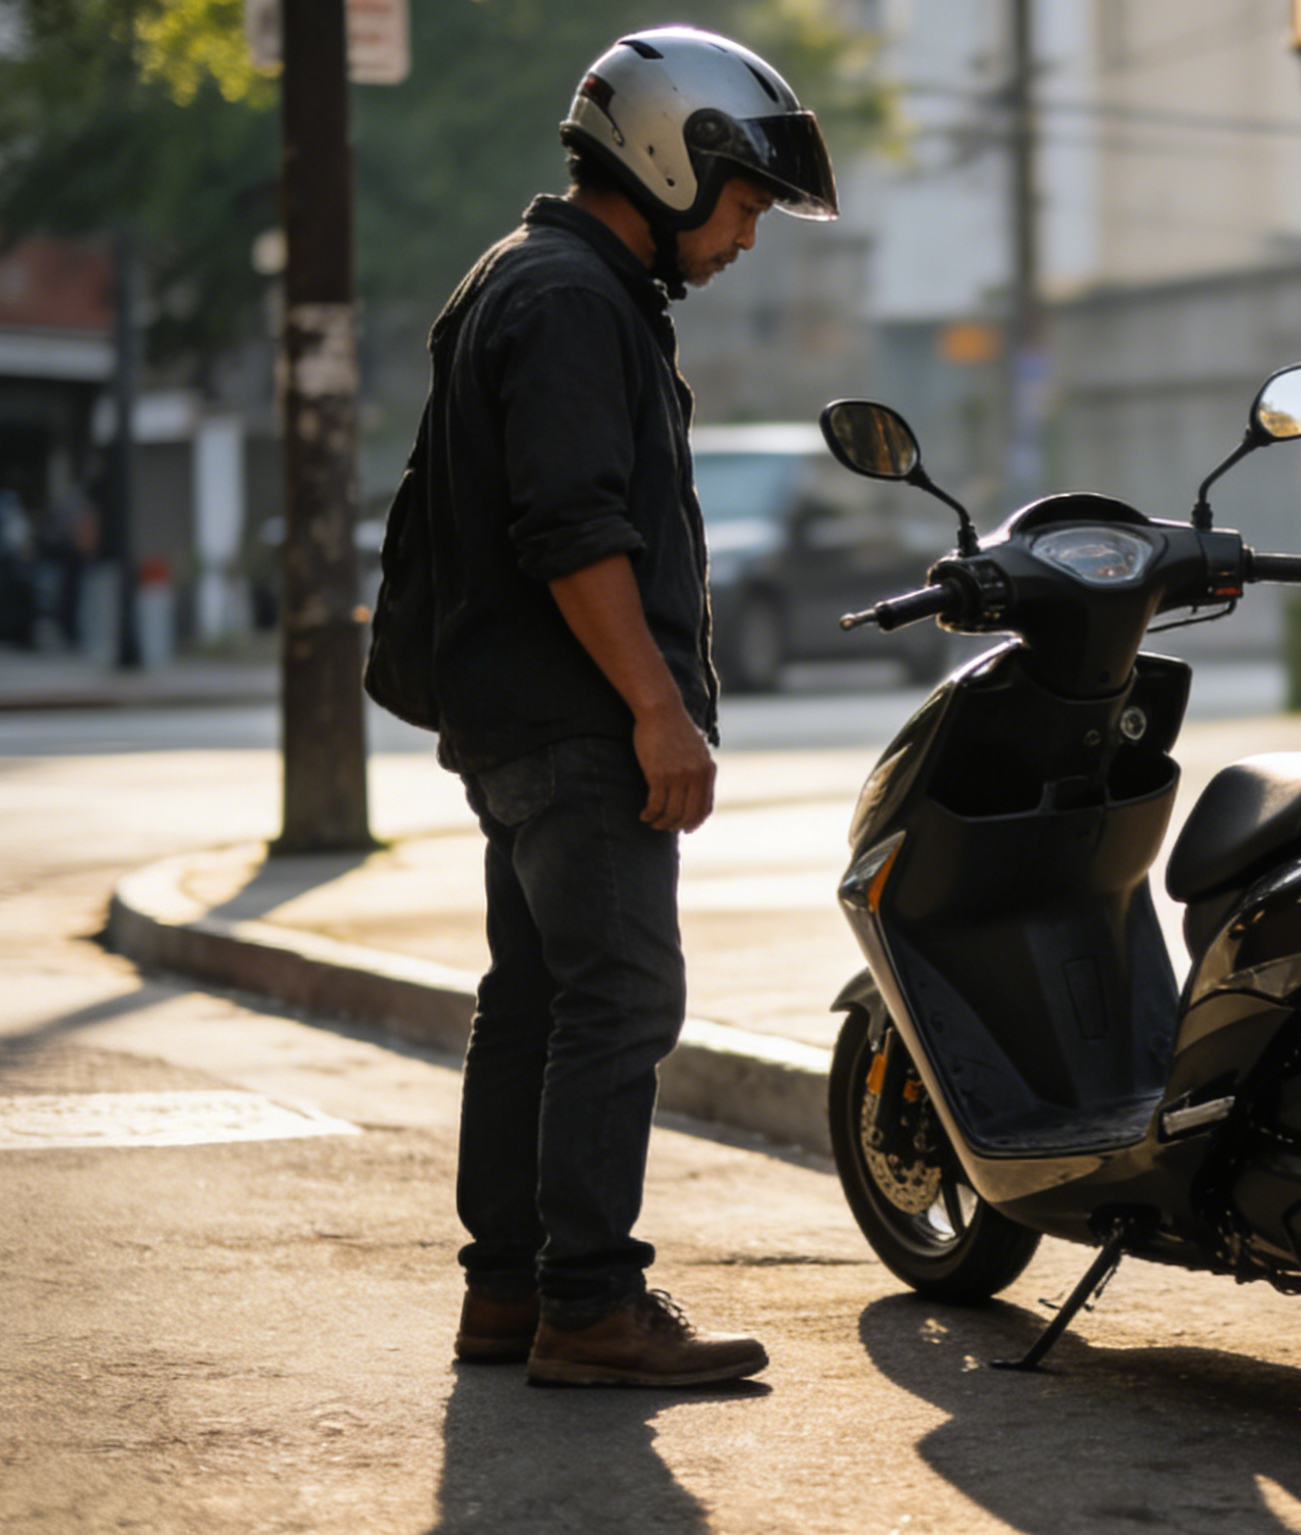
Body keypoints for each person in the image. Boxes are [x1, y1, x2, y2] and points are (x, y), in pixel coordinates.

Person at [408, 26, 837, 1388]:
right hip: (577, 720)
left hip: (519, 714)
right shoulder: (573, 301)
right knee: (622, 996)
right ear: (671, 157)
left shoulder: (527, 279)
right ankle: (590, 1304)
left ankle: (509, 1291)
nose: (748, 235)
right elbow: (572, 530)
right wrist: (659, 712)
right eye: (745, 202)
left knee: (536, 998)